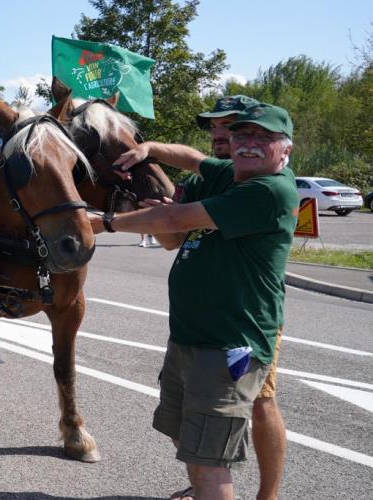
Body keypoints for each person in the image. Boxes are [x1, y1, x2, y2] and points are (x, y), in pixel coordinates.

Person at [89, 103, 297, 500]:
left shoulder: (267, 189)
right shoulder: (226, 174)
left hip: (228, 345)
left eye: (264, 138)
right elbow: (191, 160)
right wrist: (149, 147)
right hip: (192, 338)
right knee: (190, 442)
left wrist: (102, 223)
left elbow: (171, 223)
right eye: (242, 135)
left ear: (284, 149)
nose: (248, 143)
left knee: (209, 464)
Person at [156, 94, 285, 500]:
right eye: (213, 126)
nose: (218, 133)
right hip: (200, 329)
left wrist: (108, 222)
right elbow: (171, 238)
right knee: (199, 435)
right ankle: (206, 483)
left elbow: (181, 218)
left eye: (228, 125)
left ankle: (267, 495)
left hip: (241, 325)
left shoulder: (257, 183)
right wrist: (155, 210)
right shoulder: (207, 179)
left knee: (260, 405)